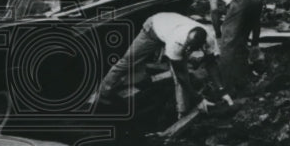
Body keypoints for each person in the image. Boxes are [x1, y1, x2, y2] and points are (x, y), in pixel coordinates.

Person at [96, 12, 225, 119]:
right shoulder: (176, 41)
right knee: (127, 61)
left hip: (170, 28)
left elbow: (210, 63)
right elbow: (181, 74)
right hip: (153, 28)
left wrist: (221, 90)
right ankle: (103, 93)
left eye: (191, 49)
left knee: (182, 73)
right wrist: (198, 98)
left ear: (202, 44)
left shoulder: (208, 38)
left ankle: (182, 112)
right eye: (187, 48)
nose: (188, 51)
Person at [205, 0, 263, 95]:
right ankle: (243, 78)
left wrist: (218, 33)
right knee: (241, 40)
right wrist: (255, 43)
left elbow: (214, 10)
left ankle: (225, 86)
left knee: (227, 46)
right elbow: (256, 23)